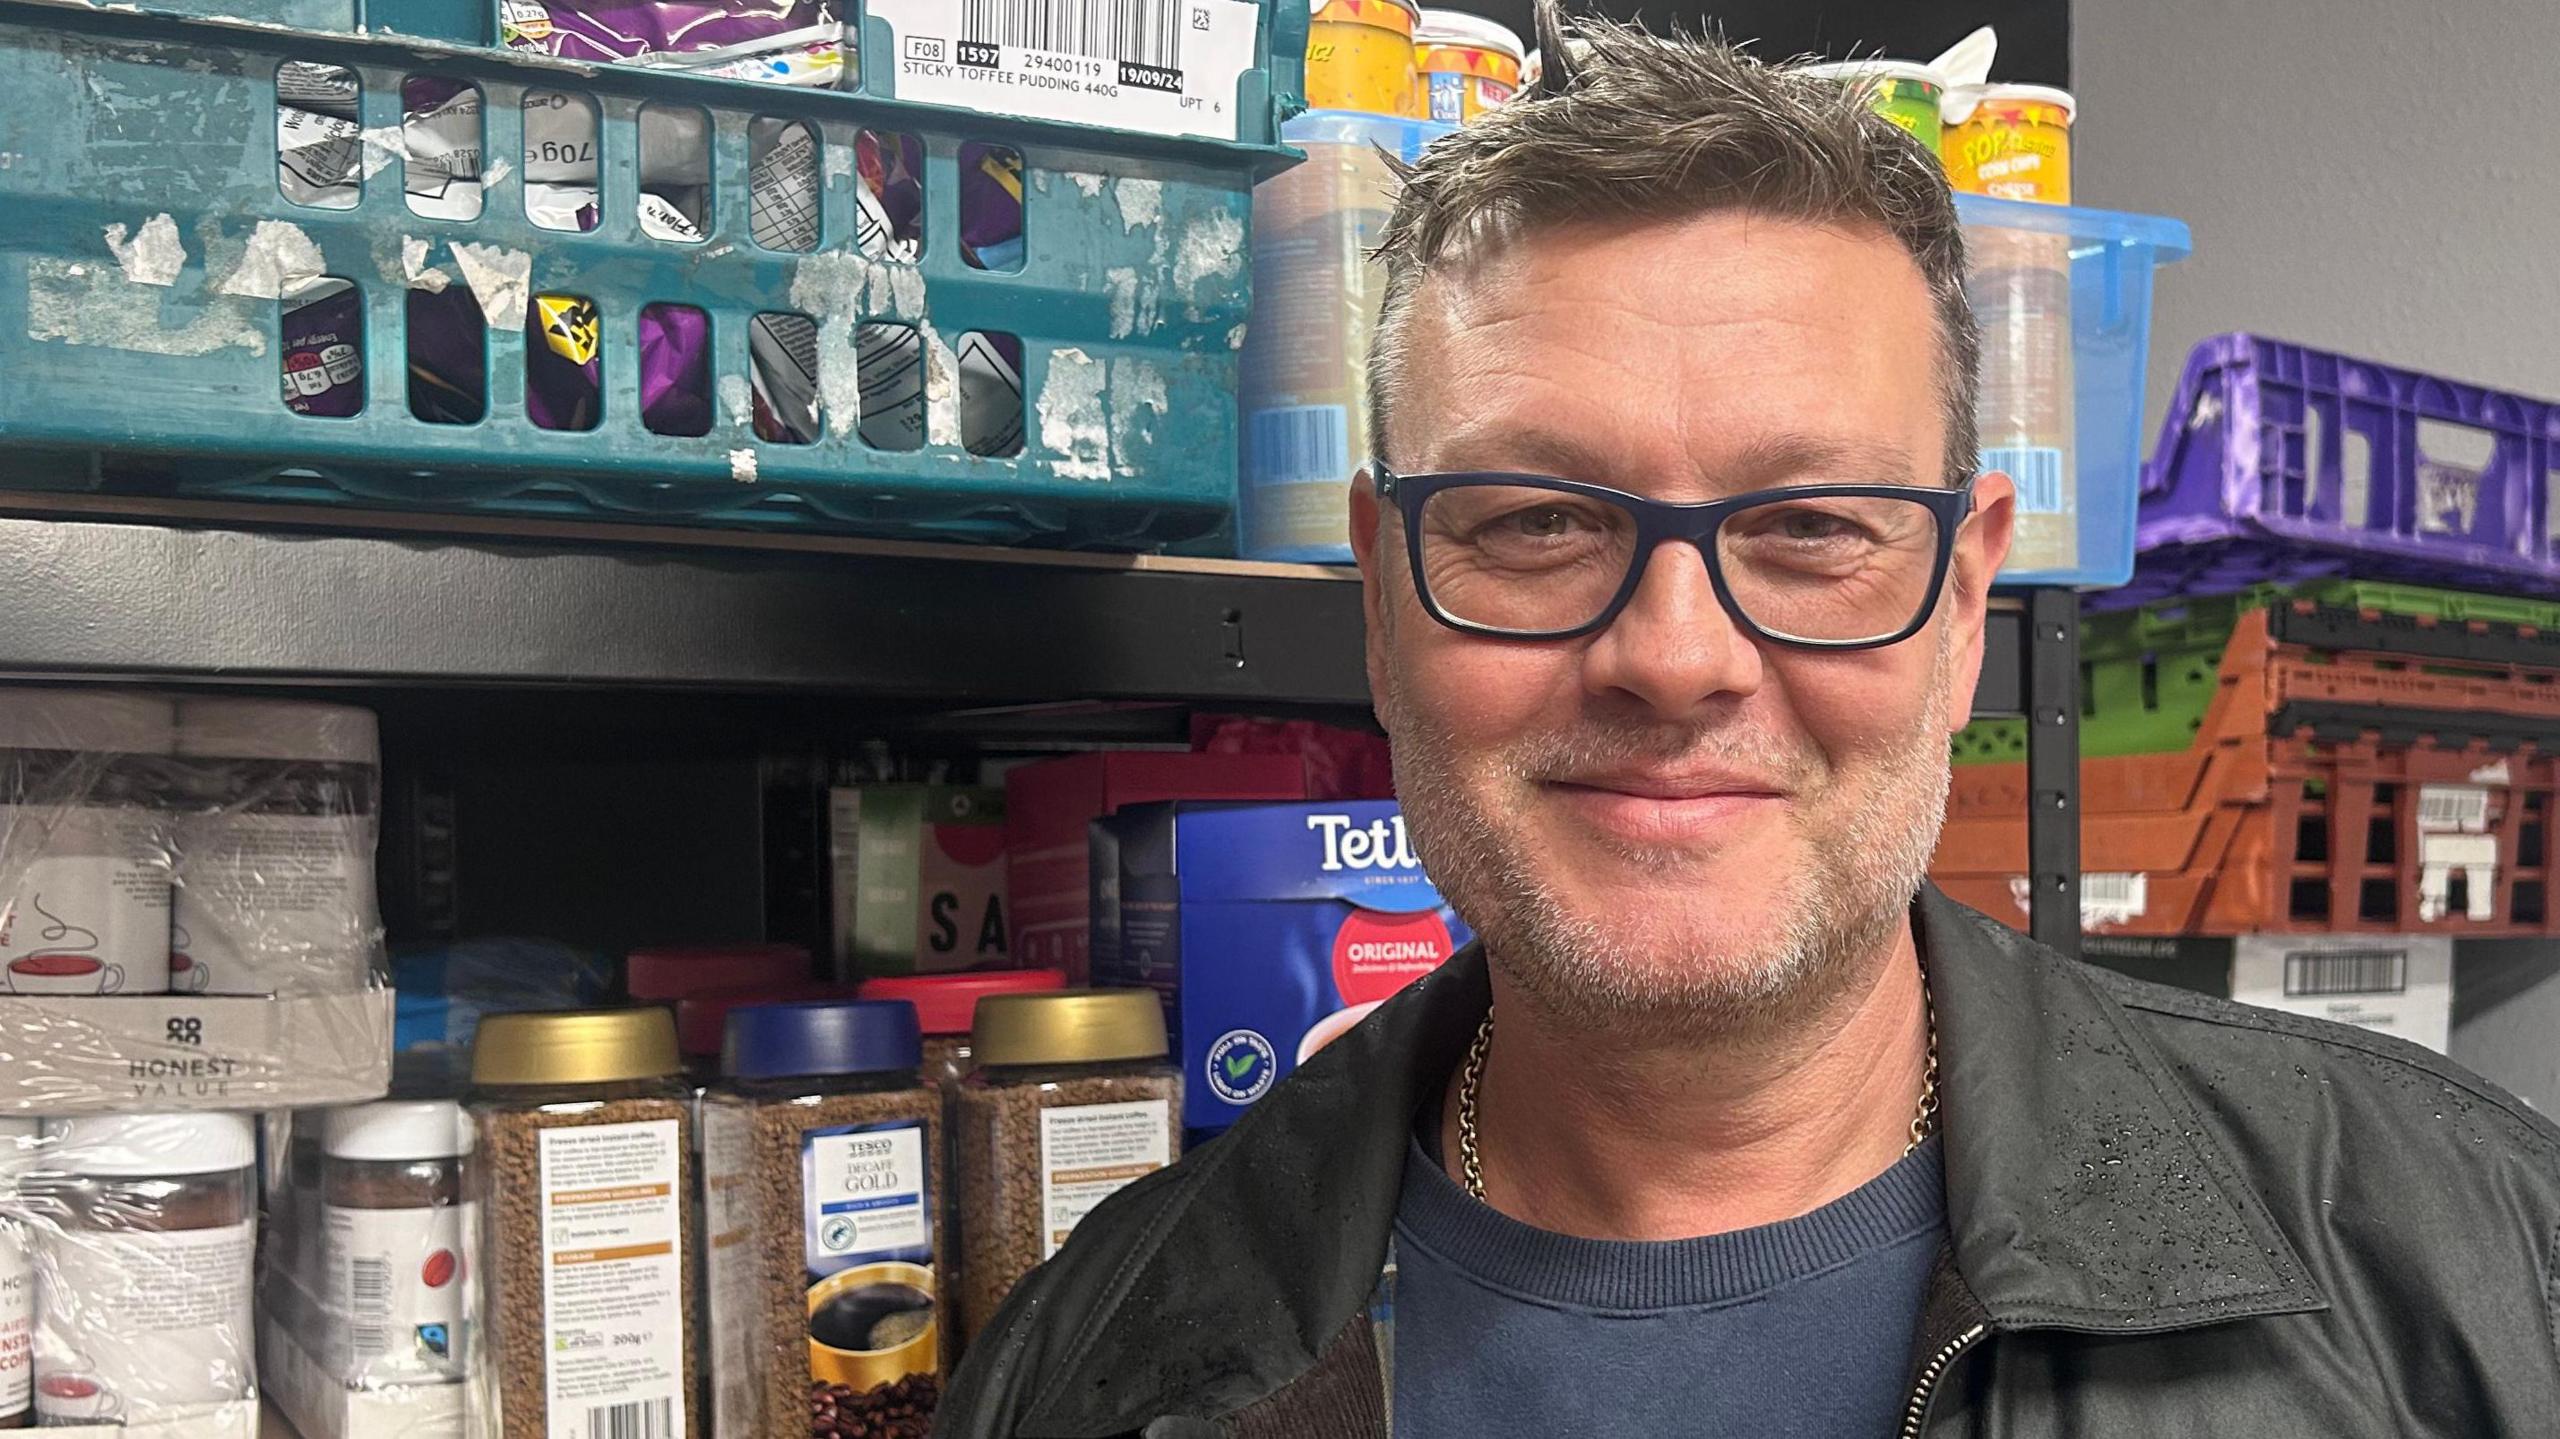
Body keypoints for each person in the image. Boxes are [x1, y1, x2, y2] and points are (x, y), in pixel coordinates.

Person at [936, 11, 2560, 1437]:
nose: (1676, 656)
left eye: (1815, 528)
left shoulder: (2477, 1273)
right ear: (1382, 594)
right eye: (1531, 523)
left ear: (1966, 602)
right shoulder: (1083, 1365)